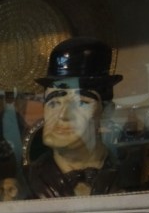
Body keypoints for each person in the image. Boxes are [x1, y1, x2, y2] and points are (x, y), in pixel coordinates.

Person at [24, 37, 123, 198]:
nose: (63, 115)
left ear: (106, 111)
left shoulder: (127, 174)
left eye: (81, 103)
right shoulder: (26, 181)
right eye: (54, 103)